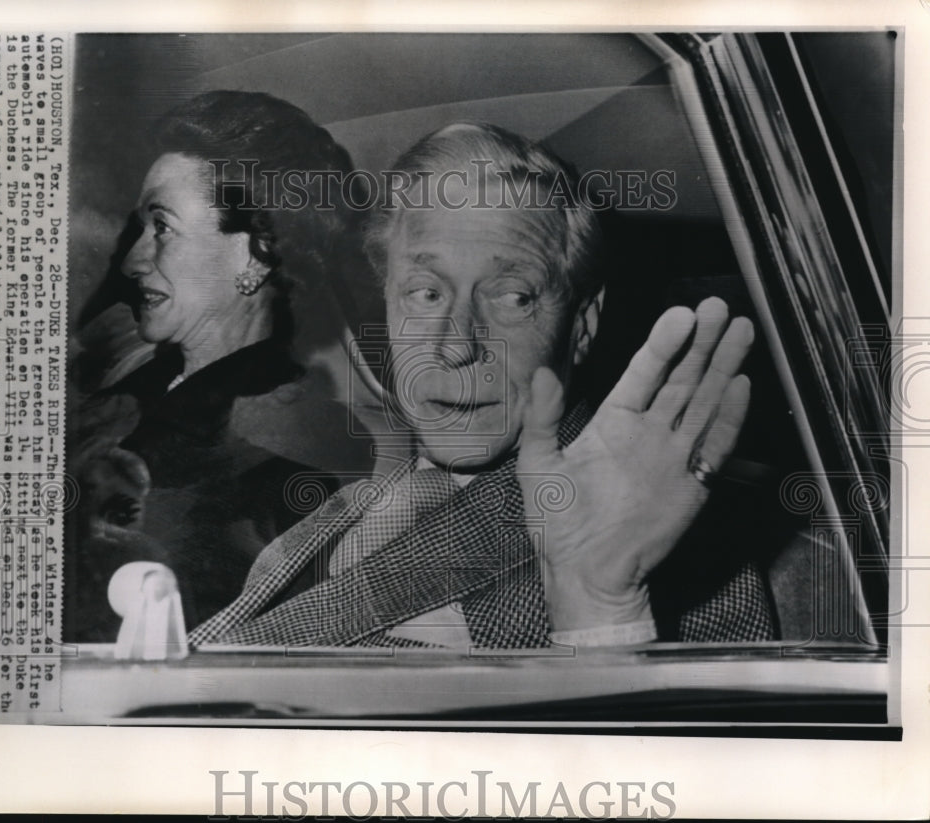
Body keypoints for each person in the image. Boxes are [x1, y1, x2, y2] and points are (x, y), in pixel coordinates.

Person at [189, 121, 776, 649]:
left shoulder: (677, 541)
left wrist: (600, 614)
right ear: (389, 307)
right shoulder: (314, 532)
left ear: (581, 327)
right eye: (426, 293)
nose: (457, 343)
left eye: (513, 297)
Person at [68, 91, 380, 638]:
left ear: (255, 253)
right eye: (141, 228)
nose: (135, 259)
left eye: (162, 227)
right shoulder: (134, 392)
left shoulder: (289, 460)